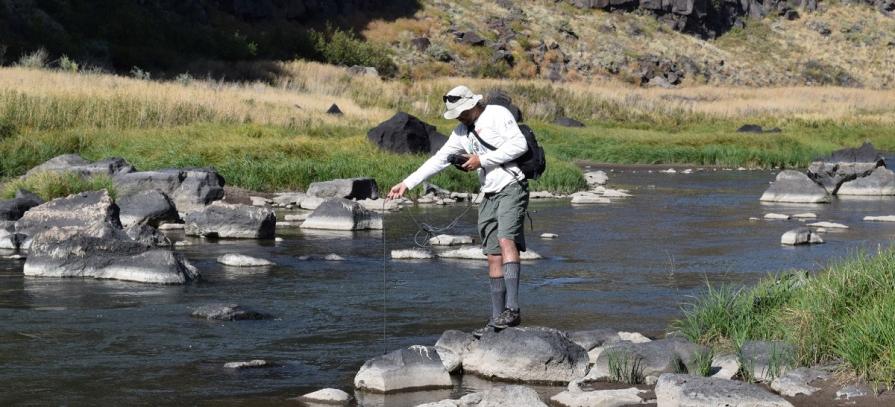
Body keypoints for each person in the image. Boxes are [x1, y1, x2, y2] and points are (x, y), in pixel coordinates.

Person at [386, 85, 530, 337]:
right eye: (456, 114)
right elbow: (438, 159)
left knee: (507, 240)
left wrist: (481, 161)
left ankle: (513, 310)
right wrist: (407, 184)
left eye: (462, 112)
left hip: (512, 185)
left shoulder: (497, 114)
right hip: (488, 194)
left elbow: (519, 146)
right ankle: (496, 319)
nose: (460, 117)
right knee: (492, 255)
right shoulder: (461, 132)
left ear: (473, 103)